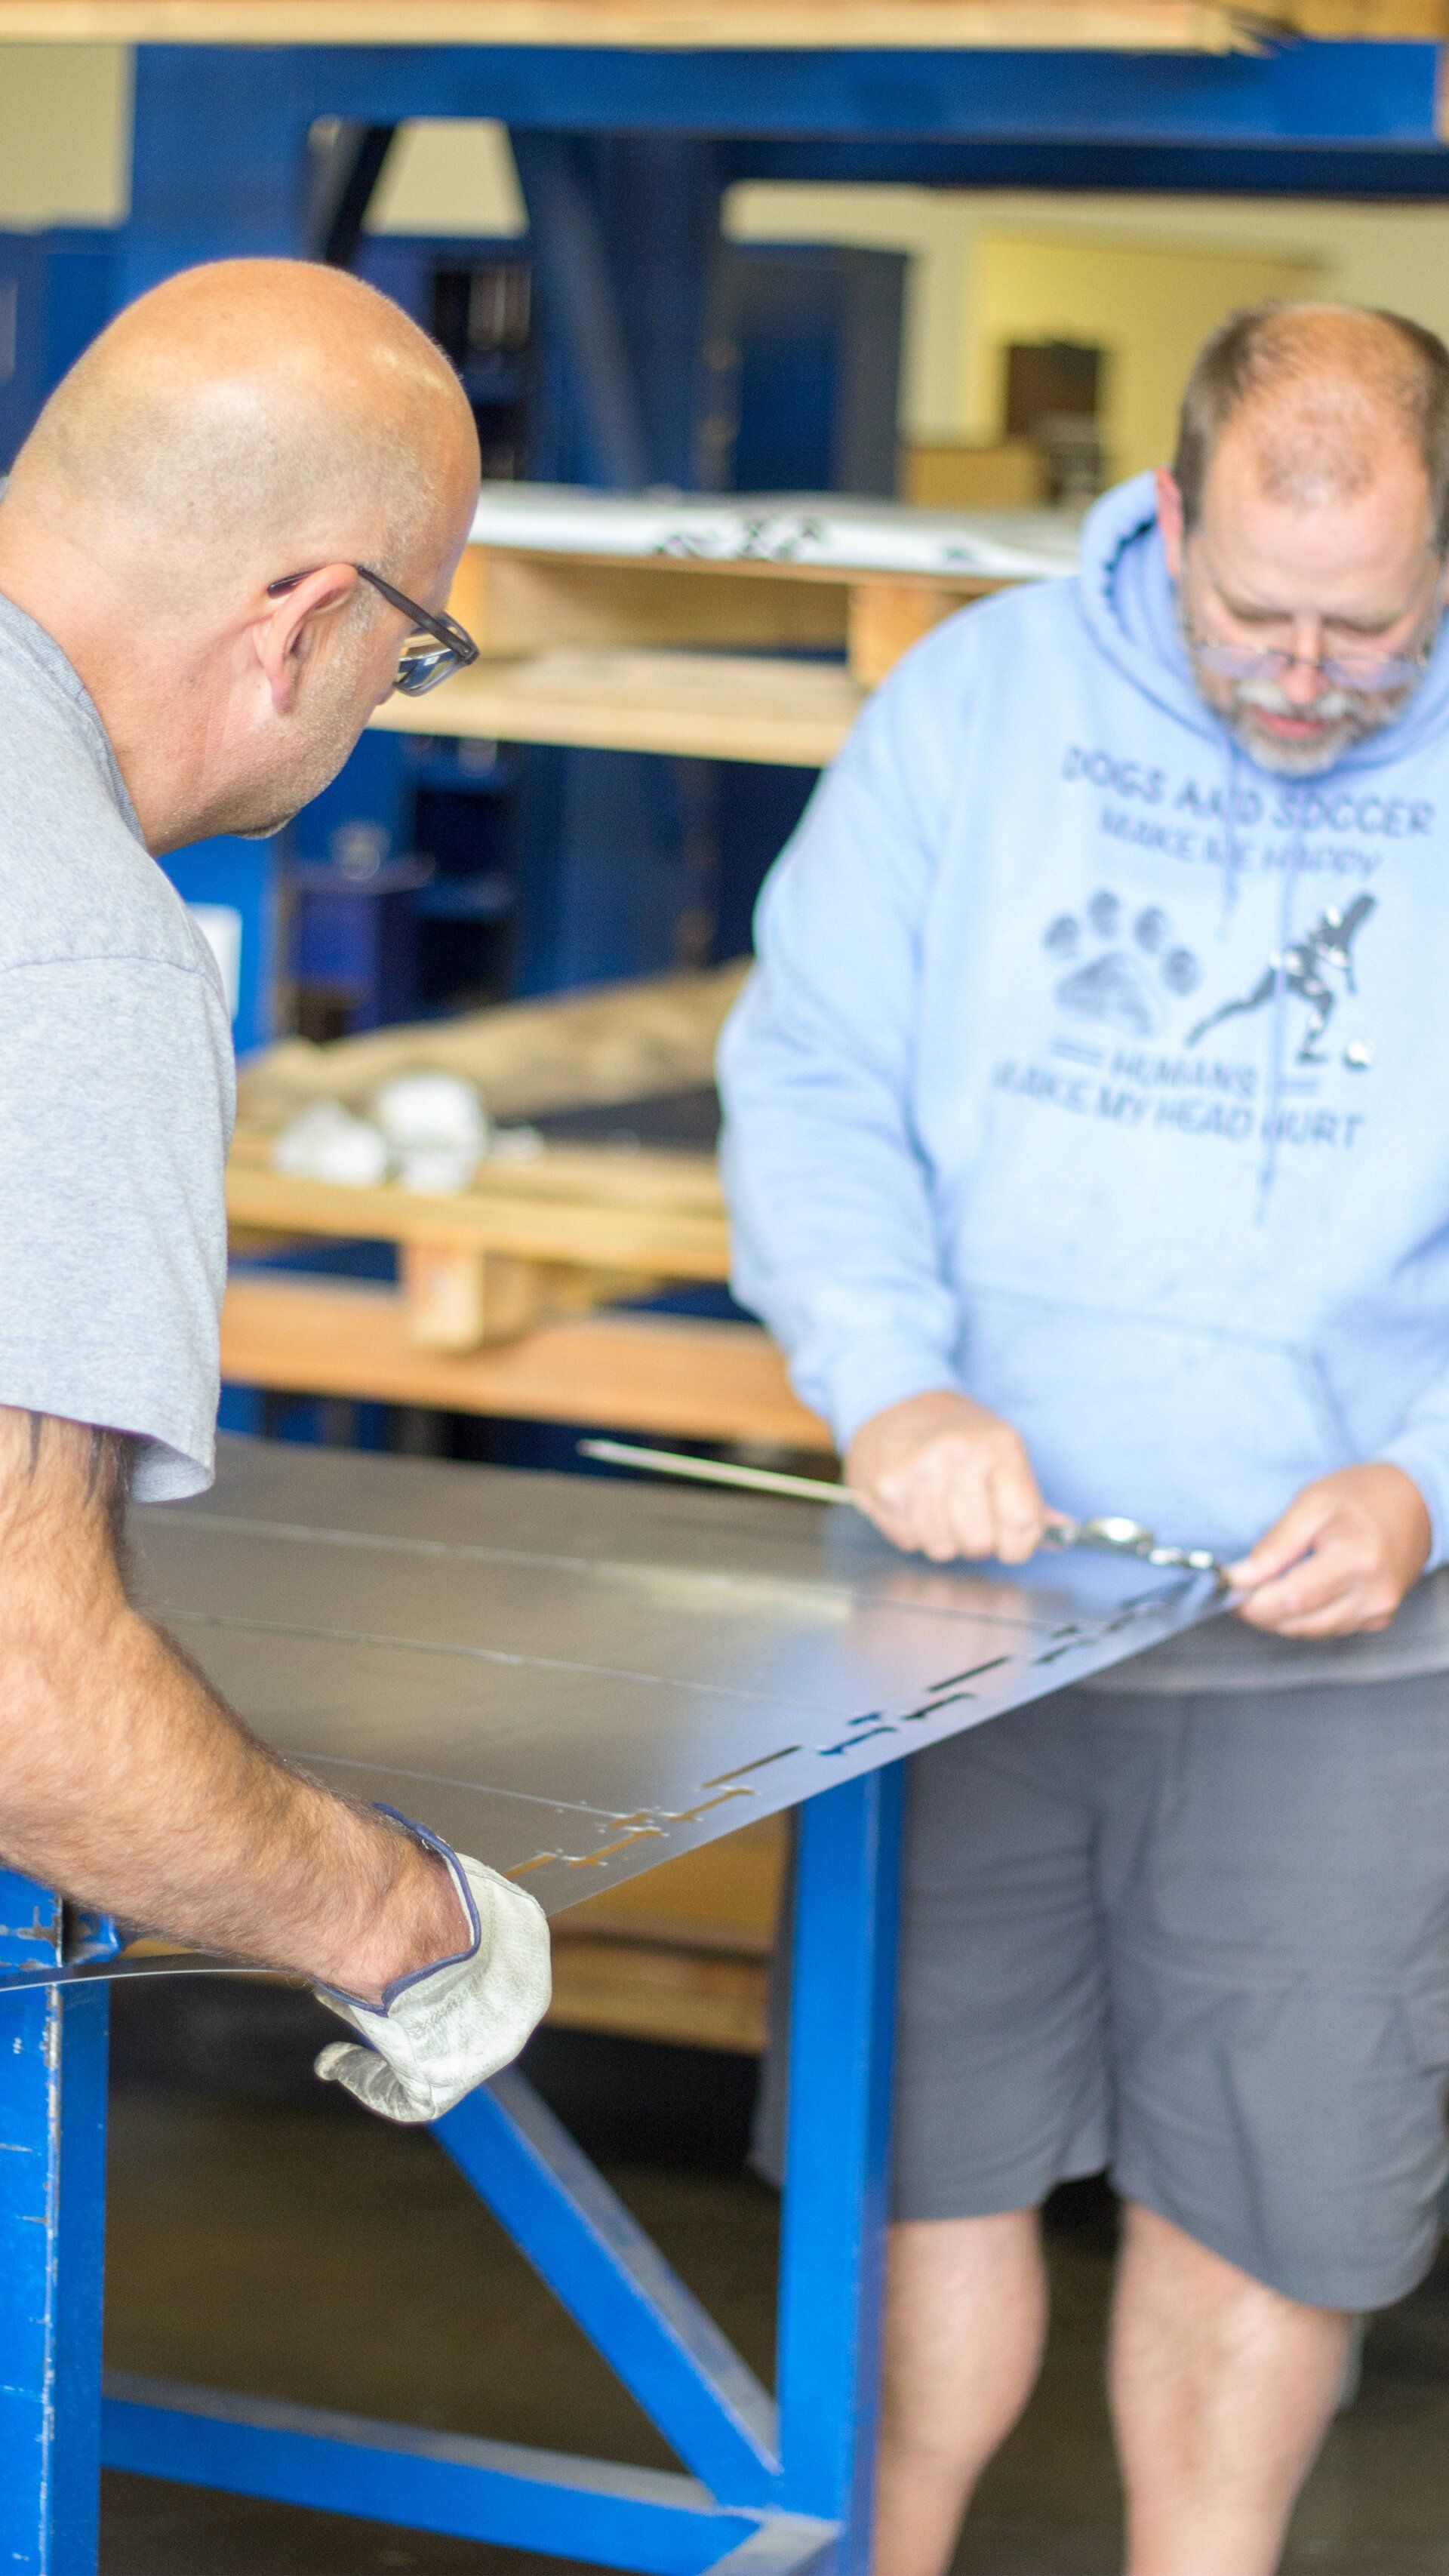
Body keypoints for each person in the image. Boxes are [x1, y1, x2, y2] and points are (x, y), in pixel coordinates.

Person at [720, 303, 1449, 2575]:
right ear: (1164, 515)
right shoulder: (977, 709)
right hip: (964, 1607)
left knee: (1269, 2180)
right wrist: (892, 1377)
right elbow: (815, 1072)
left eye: (1372, 627)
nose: (1309, 675)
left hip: (1347, 1647)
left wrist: (1434, 1462)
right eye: (1259, 614)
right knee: (918, 2150)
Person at [0, 257, 549, 2125]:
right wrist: (405, 1924)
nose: (380, 709)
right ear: (302, 621)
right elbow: (18, 1688)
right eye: (412, 660)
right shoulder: (74, 941)